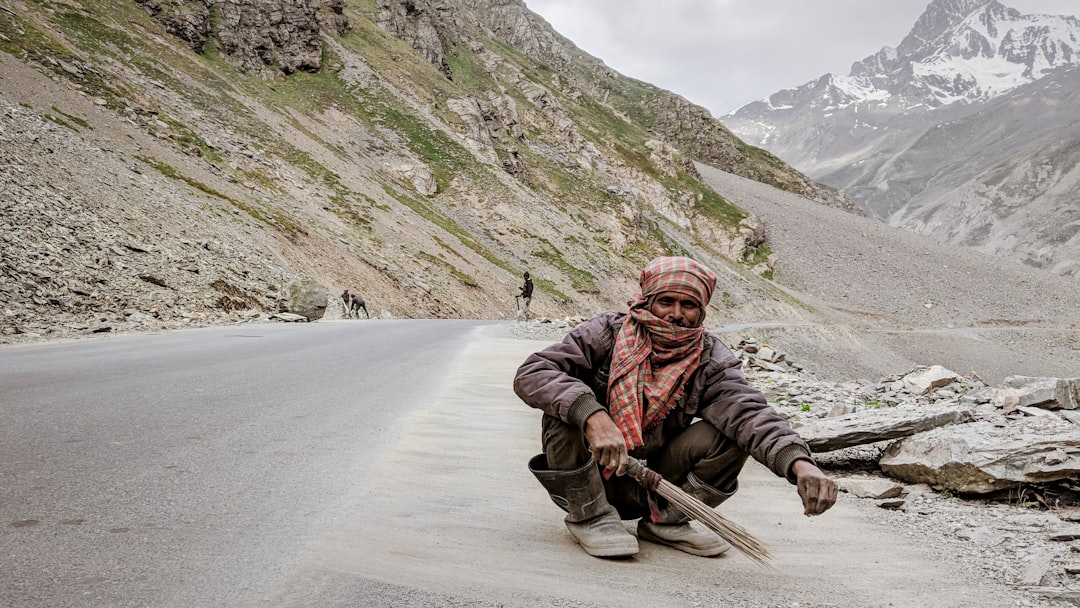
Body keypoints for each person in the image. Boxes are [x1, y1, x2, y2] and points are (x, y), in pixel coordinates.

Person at [513, 256, 837, 559]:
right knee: (567, 407)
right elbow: (535, 373)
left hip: (653, 483)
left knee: (731, 433)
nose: (676, 314)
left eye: (689, 305)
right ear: (647, 301)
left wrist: (799, 463)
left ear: (703, 312)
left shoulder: (711, 359)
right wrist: (593, 416)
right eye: (666, 301)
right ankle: (590, 516)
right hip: (587, 472)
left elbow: (749, 413)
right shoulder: (605, 333)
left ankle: (666, 520)